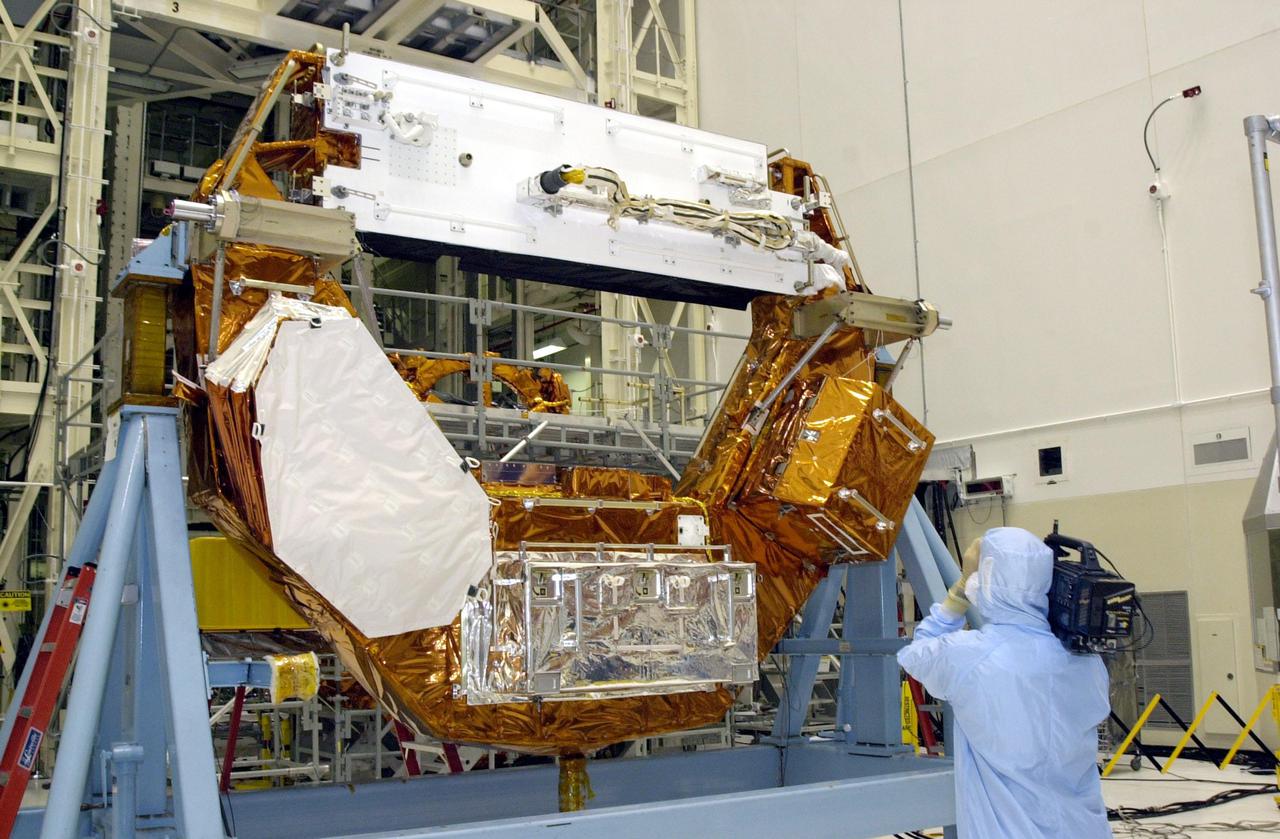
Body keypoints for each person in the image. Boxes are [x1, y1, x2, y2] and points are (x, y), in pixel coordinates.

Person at [898, 526, 1111, 838]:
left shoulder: (971, 656)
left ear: (985, 577)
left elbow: (915, 655)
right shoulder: (1088, 663)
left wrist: (958, 593)